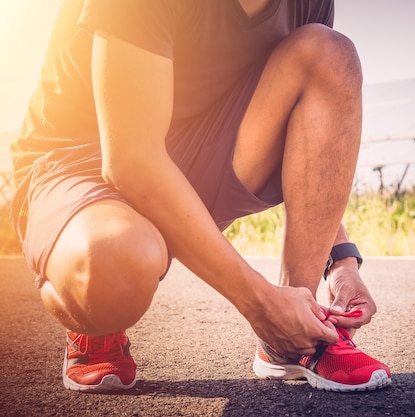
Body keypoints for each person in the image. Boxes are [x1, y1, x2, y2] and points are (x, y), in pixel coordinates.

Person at [10, 0, 391, 393]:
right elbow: (131, 161)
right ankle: (94, 322)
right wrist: (261, 304)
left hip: (197, 143)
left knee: (329, 53)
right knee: (116, 267)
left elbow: (311, 138)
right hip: (79, 158)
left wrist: (341, 261)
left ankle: (298, 333)